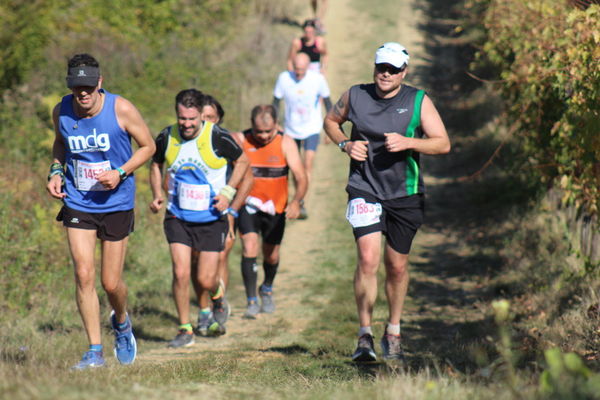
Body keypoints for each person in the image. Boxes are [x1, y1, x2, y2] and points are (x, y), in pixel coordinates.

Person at [323, 42, 451, 362]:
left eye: (394, 69)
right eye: (382, 66)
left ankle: (393, 331)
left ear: (404, 72)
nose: (386, 73)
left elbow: (443, 144)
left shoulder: (418, 100)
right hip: (364, 187)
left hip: (405, 193)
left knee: (396, 267)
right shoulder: (356, 95)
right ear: (375, 66)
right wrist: (345, 145)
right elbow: (330, 122)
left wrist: (409, 142)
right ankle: (364, 336)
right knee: (368, 260)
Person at [46, 53, 156, 370]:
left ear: (100, 83)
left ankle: (121, 322)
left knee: (110, 283)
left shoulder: (120, 108)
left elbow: (148, 146)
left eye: (88, 87)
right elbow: (60, 144)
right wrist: (55, 170)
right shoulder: (62, 110)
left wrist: (121, 171)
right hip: (78, 200)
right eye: (77, 87)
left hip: (116, 202)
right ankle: (95, 351)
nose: (82, 94)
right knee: (83, 274)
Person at [149, 89, 249, 348]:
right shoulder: (166, 136)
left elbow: (243, 161)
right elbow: (155, 164)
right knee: (181, 272)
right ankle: (185, 329)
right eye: (182, 118)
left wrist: (228, 192)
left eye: (192, 119)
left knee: (205, 279)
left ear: (200, 117)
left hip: (211, 217)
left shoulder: (216, 136)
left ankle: (216, 296)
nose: (187, 124)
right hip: (177, 216)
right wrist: (158, 193)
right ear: (177, 114)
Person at [231, 105, 307, 318]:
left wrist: (296, 202)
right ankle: (251, 300)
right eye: (259, 132)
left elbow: (301, 177)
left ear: (276, 125)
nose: (263, 136)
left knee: (271, 254)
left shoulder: (285, 142)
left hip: (276, 207)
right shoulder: (240, 139)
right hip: (248, 204)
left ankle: (267, 287)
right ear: (251, 126)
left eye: (268, 131)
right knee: (249, 246)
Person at [193, 94, 254, 337]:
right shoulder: (186, 140)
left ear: (217, 119)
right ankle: (204, 308)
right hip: (192, 213)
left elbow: (248, 179)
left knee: (219, 257)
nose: (205, 121)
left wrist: (232, 210)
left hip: (223, 212)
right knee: (196, 261)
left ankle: (215, 305)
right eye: (202, 117)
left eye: (210, 117)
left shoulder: (226, 141)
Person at [273, 52, 332, 218]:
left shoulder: (317, 79)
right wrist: (275, 124)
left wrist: (331, 128)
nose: (298, 72)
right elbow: (275, 102)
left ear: (308, 67)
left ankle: (300, 201)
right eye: (296, 69)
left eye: (302, 69)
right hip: (291, 130)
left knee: (308, 164)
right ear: (292, 65)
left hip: (312, 128)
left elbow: (328, 102)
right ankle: (299, 198)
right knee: (295, 168)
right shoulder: (284, 78)